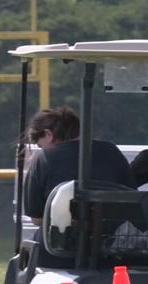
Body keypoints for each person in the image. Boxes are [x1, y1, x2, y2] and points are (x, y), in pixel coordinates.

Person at [23, 107, 136, 267]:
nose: (41, 149)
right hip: (108, 249)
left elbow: (37, 218)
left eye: (40, 145)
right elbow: (130, 198)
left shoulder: (44, 160)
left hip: (59, 250)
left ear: (49, 134)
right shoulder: (111, 152)